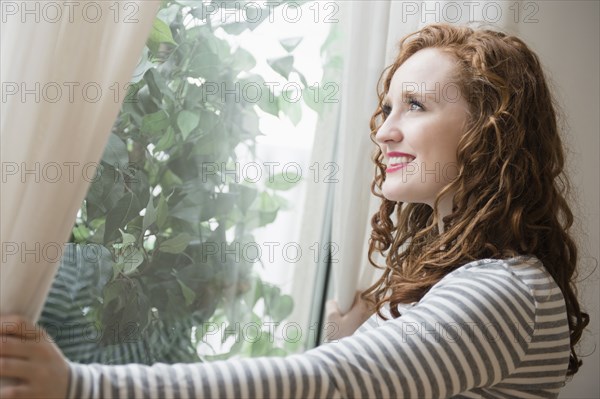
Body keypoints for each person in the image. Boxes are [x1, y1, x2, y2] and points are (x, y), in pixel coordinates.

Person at [0, 23, 590, 399]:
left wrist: (81, 386)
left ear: (491, 133)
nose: (384, 131)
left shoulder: (504, 291)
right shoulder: (452, 280)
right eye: (386, 107)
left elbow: (329, 382)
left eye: (415, 105)